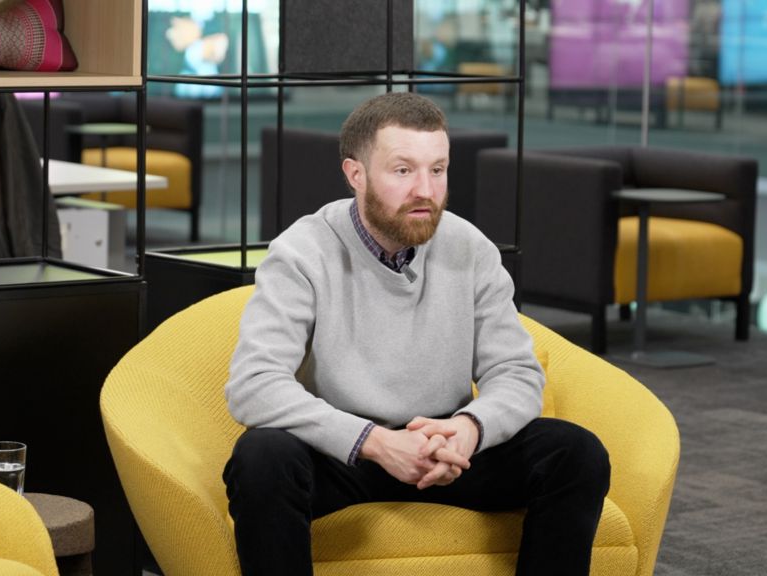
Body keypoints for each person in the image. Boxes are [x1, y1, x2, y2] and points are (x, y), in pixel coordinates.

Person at [224, 92, 610, 576]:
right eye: (403, 170)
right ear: (355, 174)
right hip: (346, 451)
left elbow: (516, 372)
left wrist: (469, 430)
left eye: (438, 169)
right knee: (262, 458)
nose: (425, 190)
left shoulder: (470, 248)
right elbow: (254, 384)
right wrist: (376, 443)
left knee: (575, 454)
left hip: (445, 447)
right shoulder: (302, 252)